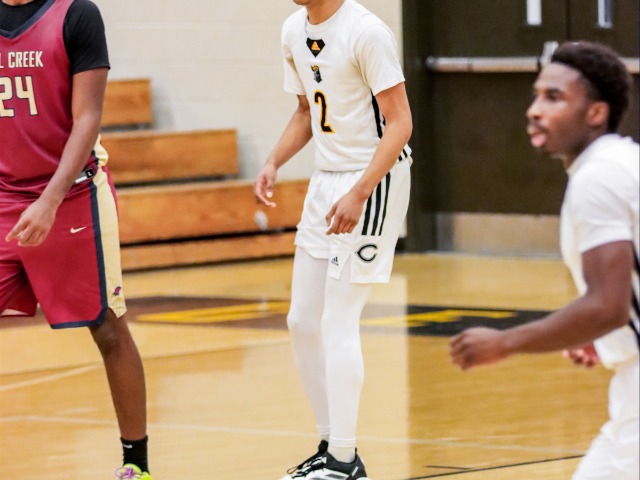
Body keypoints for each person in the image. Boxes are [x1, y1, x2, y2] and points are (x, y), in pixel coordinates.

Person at [450, 41, 639, 480]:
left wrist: (504, 342)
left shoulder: (599, 178)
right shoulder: (624, 160)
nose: (534, 110)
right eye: (536, 96)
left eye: (554, 98)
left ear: (596, 113)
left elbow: (607, 306)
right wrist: (604, 336)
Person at [254, 0, 412, 478]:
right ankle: (331, 446)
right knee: (302, 320)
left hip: (372, 180)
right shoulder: (292, 30)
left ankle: (343, 461)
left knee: (338, 320)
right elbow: (306, 110)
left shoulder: (366, 32)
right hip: (326, 179)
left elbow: (401, 123)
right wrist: (273, 160)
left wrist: (360, 192)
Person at [0, 1, 152, 478]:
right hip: (5, 194)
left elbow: (88, 118)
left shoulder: (77, 15)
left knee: (107, 325)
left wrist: (49, 200)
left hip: (72, 195)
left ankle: (136, 465)